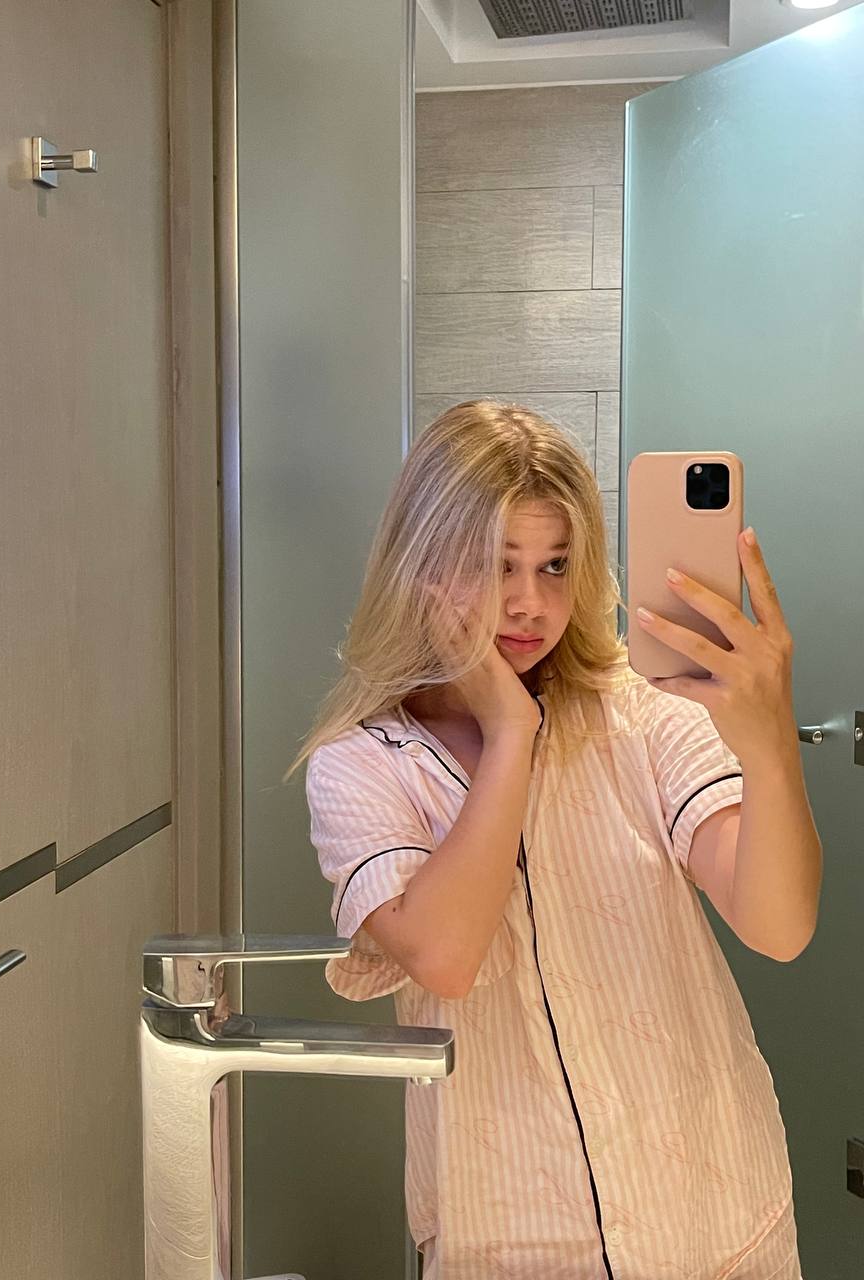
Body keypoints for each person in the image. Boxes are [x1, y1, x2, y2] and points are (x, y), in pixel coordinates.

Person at [285, 400, 821, 1279]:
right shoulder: (362, 767)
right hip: (511, 1242)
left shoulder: (640, 715)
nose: (529, 603)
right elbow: (446, 957)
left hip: (713, 1221)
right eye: (494, 565)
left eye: (555, 565)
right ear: (422, 565)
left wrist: (770, 753)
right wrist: (510, 730)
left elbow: (780, 925)